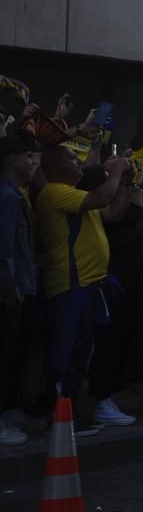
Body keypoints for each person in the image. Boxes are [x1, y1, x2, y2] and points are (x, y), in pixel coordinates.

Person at [33, 146, 133, 433]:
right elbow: (101, 197)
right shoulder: (55, 192)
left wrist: (126, 182)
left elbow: (112, 213)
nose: (79, 164)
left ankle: (70, 413)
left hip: (89, 284)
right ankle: (60, 416)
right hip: (69, 284)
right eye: (72, 160)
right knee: (66, 352)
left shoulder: (75, 196)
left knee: (81, 351)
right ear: (56, 167)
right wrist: (116, 169)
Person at [0, 136, 37, 444]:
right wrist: (10, 289)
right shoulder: (8, 197)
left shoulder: (15, 194)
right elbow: (5, 250)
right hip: (7, 291)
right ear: (12, 159)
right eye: (27, 155)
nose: (32, 161)